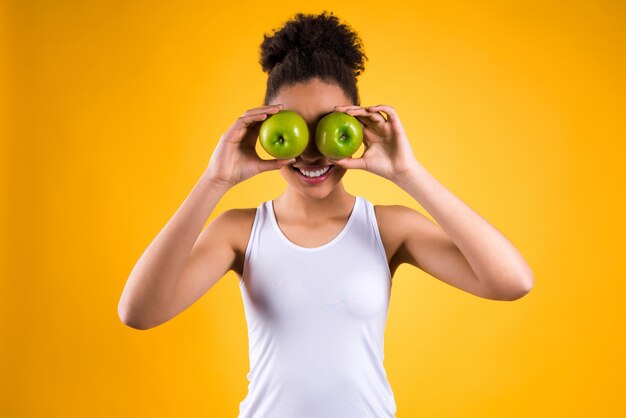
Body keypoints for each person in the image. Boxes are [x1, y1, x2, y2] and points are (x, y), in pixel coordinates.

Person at [118, 11, 534, 418]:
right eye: (293, 128)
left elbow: (512, 281)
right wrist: (215, 180)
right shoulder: (240, 232)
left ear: (358, 125)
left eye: (326, 128)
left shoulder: (387, 228)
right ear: (264, 128)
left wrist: (408, 173)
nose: (312, 152)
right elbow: (138, 312)